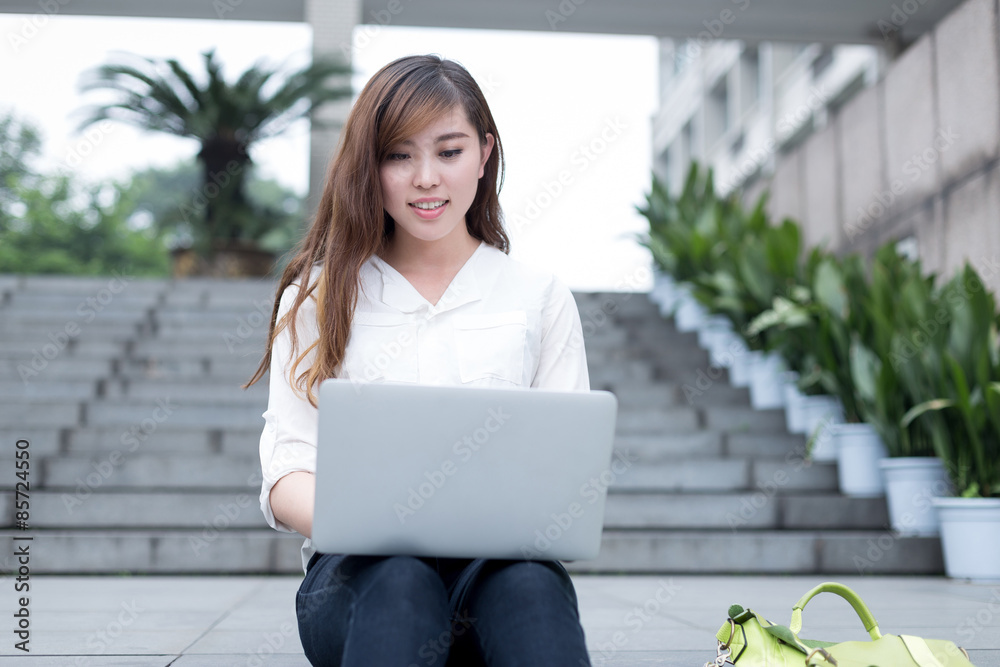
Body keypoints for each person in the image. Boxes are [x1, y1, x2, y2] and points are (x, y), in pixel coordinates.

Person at [246, 54, 593, 666]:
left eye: (449, 152)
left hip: (498, 570)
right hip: (359, 578)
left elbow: (562, 477)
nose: (426, 178)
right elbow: (286, 474)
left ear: (485, 155)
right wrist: (376, 520)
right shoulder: (318, 299)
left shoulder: (537, 298)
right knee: (402, 579)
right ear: (368, 166)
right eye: (398, 155)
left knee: (532, 586)